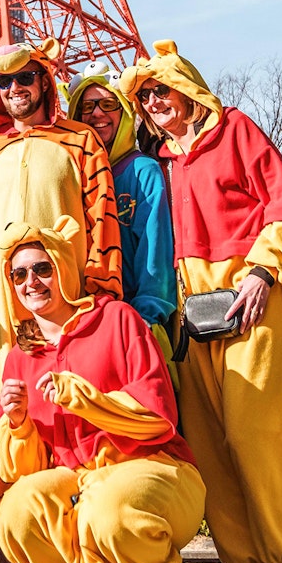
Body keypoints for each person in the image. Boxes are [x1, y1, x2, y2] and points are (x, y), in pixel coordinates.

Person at [119, 40, 282, 563]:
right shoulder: (157, 163)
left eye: (164, 90)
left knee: (256, 431)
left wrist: (264, 271)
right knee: (207, 439)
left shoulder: (236, 130)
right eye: (147, 95)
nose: (155, 100)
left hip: (249, 291)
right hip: (190, 306)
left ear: (190, 91)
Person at [0, 219, 204, 563]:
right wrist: (18, 424)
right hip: (75, 481)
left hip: (154, 468)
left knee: (109, 512)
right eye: (19, 274)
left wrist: (83, 397)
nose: (32, 282)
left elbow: (158, 416)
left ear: (62, 266)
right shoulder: (19, 356)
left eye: (42, 269)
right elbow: (22, 472)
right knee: (15, 514)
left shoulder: (117, 318)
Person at [0, 38, 123, 397]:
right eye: (3, 81)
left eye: (25, 76)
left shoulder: (81, 140)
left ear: (45, 80)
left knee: (73, 405)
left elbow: (102, 222)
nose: (15, 88)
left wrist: (102, 295)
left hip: (69, 306)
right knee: (7, 418)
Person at [64, 62, 178, 379]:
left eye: (108, 104)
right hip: (80, 331)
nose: (97, 114)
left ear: (125, 113)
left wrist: (145, 320)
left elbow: (155, 254)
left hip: (133, 328)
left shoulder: (142, 171)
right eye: (86, 106)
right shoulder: (68, 174)